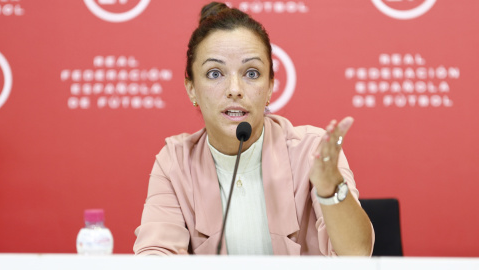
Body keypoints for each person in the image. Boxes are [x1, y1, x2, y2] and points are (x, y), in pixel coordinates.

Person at [134, 2, 374, 256]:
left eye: (251, 73)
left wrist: (330, 189)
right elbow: (155, 256)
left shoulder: (311, 150)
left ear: (270, 86)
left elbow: (357, 256)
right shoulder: (175, 162)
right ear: (191, 87)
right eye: (215, 73)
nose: (234, 89)